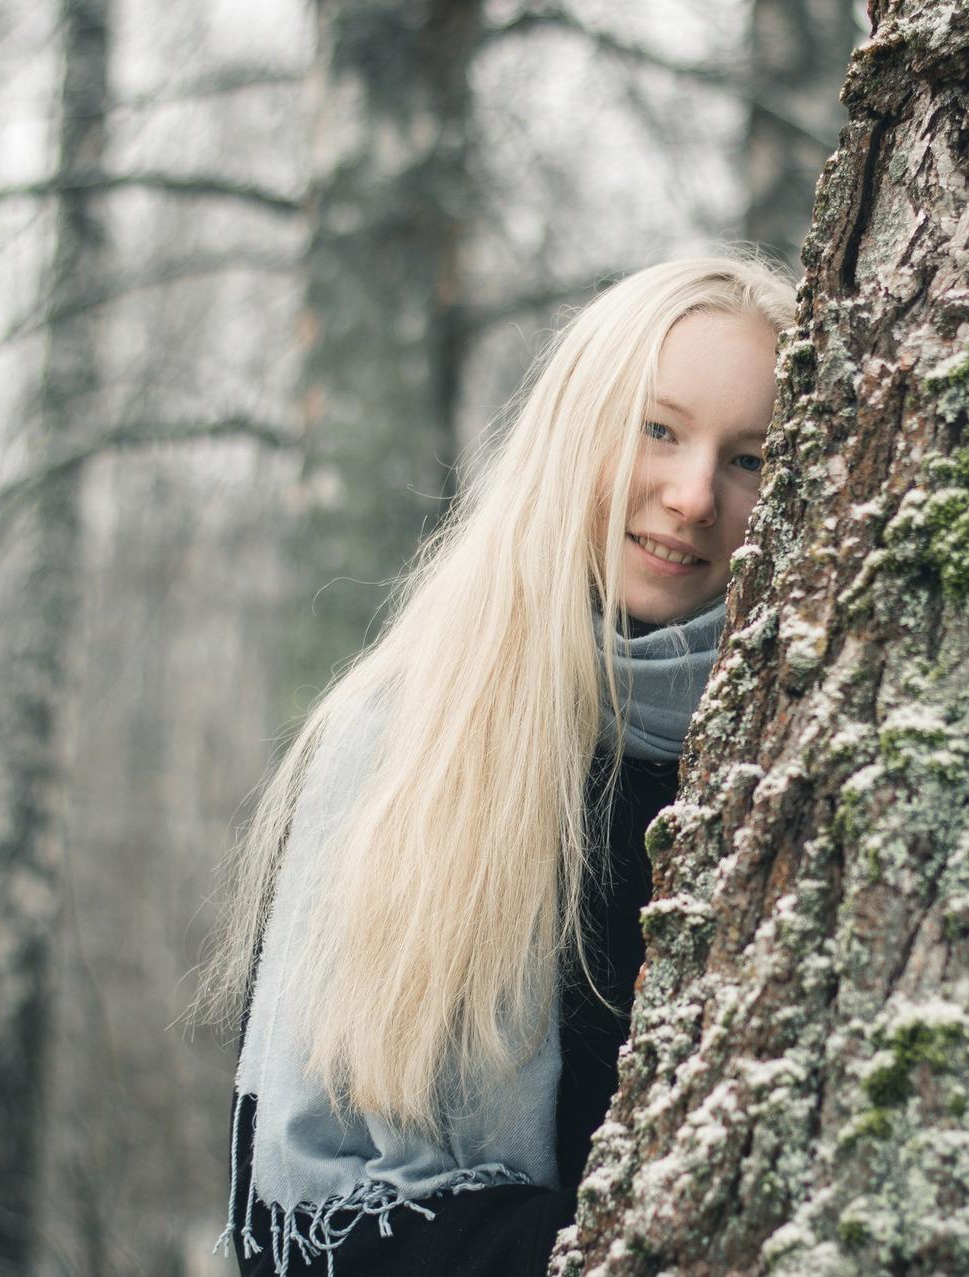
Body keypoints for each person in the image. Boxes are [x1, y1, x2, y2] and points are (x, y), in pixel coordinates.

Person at [193, 253, 798, 1276]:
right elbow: (297, 1220)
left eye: (748, 457)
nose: (694, 494)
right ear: (574, 434)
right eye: (657, 429)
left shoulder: (785, 751)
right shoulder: (399, 744)